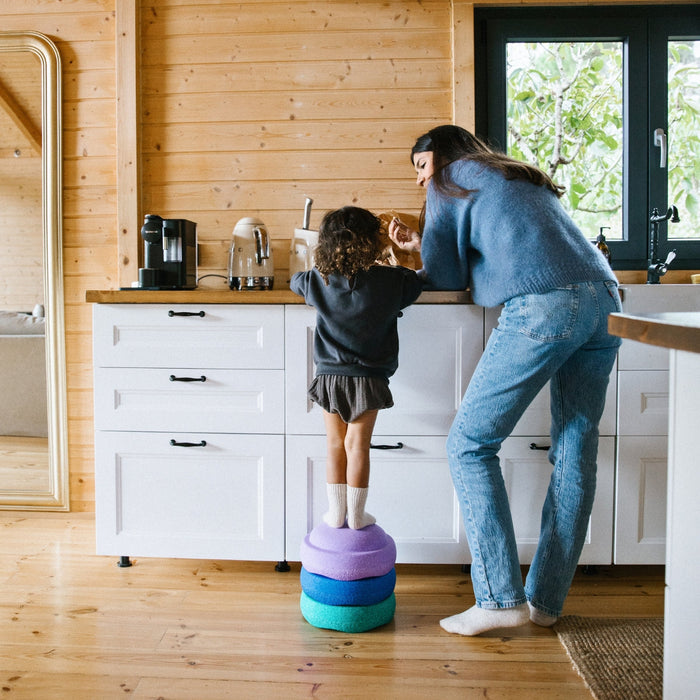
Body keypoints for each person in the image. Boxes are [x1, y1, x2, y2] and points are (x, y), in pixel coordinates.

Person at [389, 125, 622, 636]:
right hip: (605, 299)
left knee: (468, 445)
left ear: (441, 157)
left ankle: (497, 599)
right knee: (575, 450)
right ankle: (544, 600)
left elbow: (448, 278)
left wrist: (413, 255)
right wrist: (422, 243)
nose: (420, 181)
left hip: (546, 304)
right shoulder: (514, 175)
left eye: (421, 167)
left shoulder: (449, 180)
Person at [291, 206, 423, 530]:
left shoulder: (317, 280)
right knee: (358, 445)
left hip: (330, 375)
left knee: (335, 444)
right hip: (369, 377)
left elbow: (295, 280)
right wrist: (408, 254)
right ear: (373, 241)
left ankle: (336, 515)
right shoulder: (391, 281)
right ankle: (357, 516)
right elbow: (419, 282)